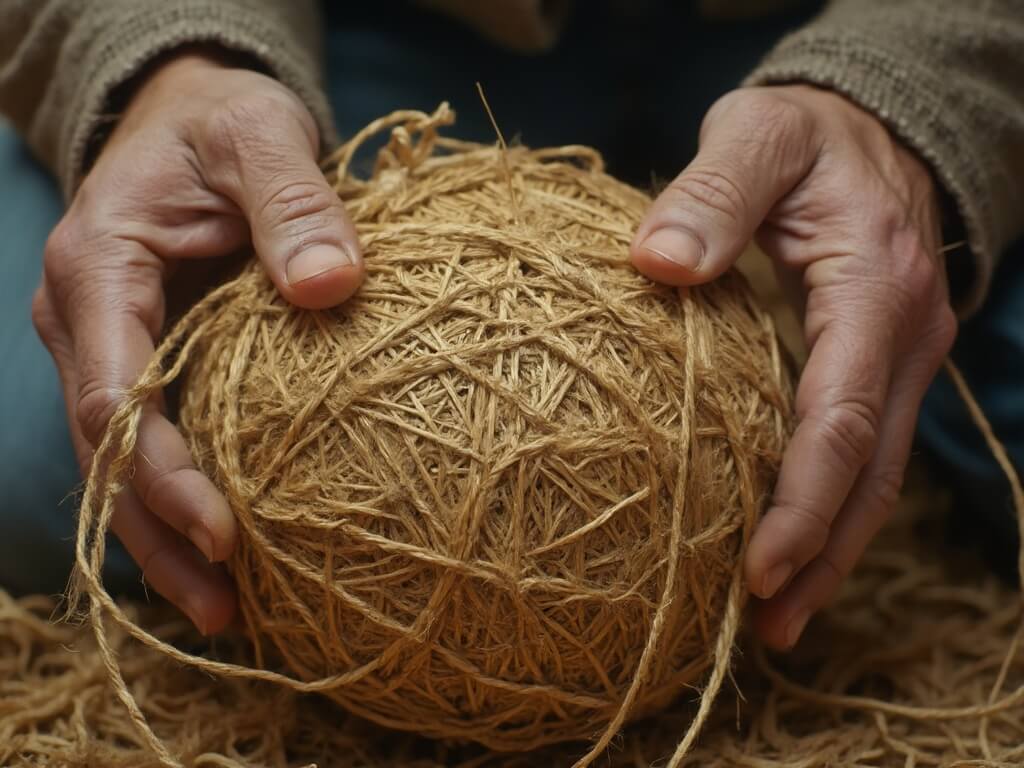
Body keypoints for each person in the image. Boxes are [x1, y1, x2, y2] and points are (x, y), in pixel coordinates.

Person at [1, 0, 1021, 652]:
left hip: (852, 16)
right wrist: (173, 56)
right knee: (43, 469)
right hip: (380, 23)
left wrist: (908, 99)